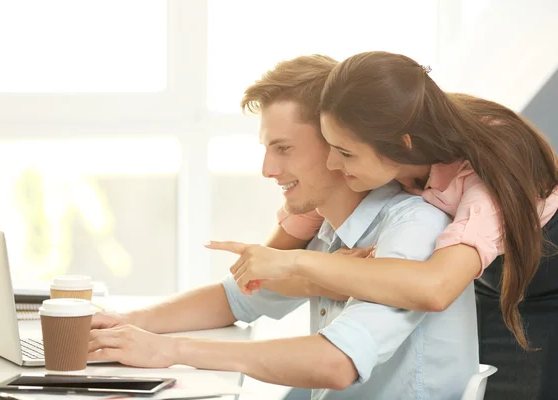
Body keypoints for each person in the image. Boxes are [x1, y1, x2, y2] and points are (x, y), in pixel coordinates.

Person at [89, 55, 478, 399]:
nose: (267, 170)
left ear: (337, 141)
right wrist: (126, 323)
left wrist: (169, 352)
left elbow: (336, 364)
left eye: (284, 148)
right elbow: (236, 298)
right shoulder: (326, 228)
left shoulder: (412, 227)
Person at [207, 51, 558, 400]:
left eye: (345, 153)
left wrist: (303, 264)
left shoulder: (485, 179)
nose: (332, 162)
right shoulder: (392, 137)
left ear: (399, 146)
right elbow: (266, 265)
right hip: (481, 271)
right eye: (330, 147)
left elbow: (435, 288)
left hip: (543, 283)